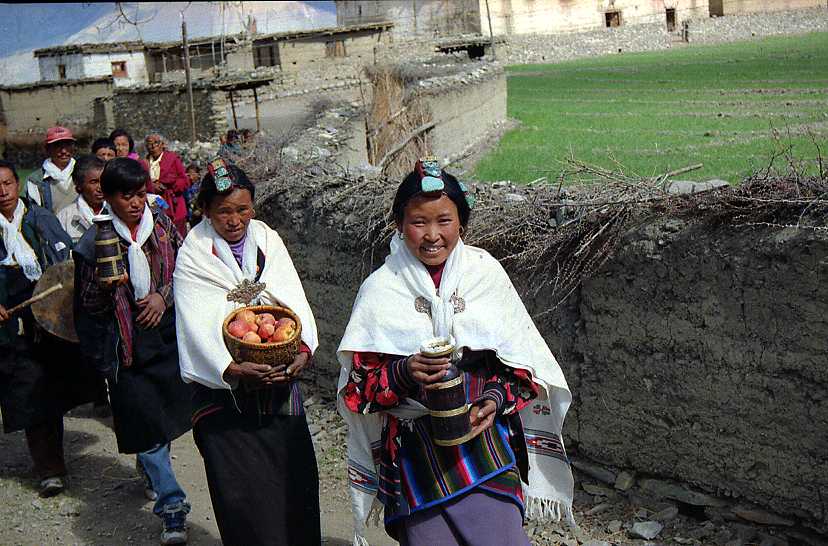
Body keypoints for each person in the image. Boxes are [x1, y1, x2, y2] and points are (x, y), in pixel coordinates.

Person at [338, 159, 575, 546]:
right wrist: (405, 372)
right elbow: (359, 389)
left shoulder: (485, 274)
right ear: (399, 224)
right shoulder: (380, 289)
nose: (432, 235)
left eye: (444, 221)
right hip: (415, 456)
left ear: (461, 224)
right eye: (418, 222)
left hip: (485, 448)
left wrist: (494, 400)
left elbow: (523, 364)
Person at [174, 159, 321, 545]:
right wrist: (232, 368)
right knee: (242, 500)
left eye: (243, 209)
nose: (235, 219)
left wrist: (301, 351)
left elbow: (292, 298)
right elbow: (194, 321)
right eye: (223, 211)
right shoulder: (194, 253)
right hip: (225, 402)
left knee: (295, 490)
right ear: (205, 210)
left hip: (279, 389)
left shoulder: (268, 241)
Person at [74, 158, 193, 545]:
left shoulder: (159, 226)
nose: (137, 203)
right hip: (126, 346)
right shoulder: (93, 244)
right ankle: (172, 507)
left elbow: (183, 271)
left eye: (141, 194)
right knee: (147, 423)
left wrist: (161, 295)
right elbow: (87, 307)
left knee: (165, 419)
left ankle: (150, 465)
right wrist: (109, 290)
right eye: (126, 196)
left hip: (165, 338)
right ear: (107, 197)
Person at [0, 159, 99, 497]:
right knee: (26, 390)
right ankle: (48, 467)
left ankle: (52, 462)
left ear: (17, 183)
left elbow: (65, 265)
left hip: (48, 317)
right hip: (11, 324)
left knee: (49, 389)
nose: (3, 192)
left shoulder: (40, 218)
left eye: (8, 183)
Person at [143, 132, 190, 236]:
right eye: (149, 143)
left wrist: (171, 187)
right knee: (160, 229)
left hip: (174, 201)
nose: (153, 146)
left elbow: (183, 179)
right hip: (156, 200)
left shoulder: (172, 158)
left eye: (156, 143)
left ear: (162, 144)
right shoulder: (144, 163)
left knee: (178, 233)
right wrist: (152, 186)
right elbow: (142, 182)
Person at [24, 126, 77, 214]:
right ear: (47, 149)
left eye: (67, 145)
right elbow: (34, 214)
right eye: (57, 146)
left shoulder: (83, 173)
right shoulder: (35, 180)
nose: (63, 151)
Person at [56, 155, 106, 243]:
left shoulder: (116, 212)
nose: (100, 188)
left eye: (103, 181)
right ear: (79, 185)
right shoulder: (65, 217)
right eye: (93, 182)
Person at [182, 163, 202, 228]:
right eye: (188, 175)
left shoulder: (201, 187)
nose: (191, 177)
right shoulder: (185, 187)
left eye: (193, 175)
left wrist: (200, 210)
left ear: (198, 175)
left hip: (199, 217)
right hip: (188, 216)